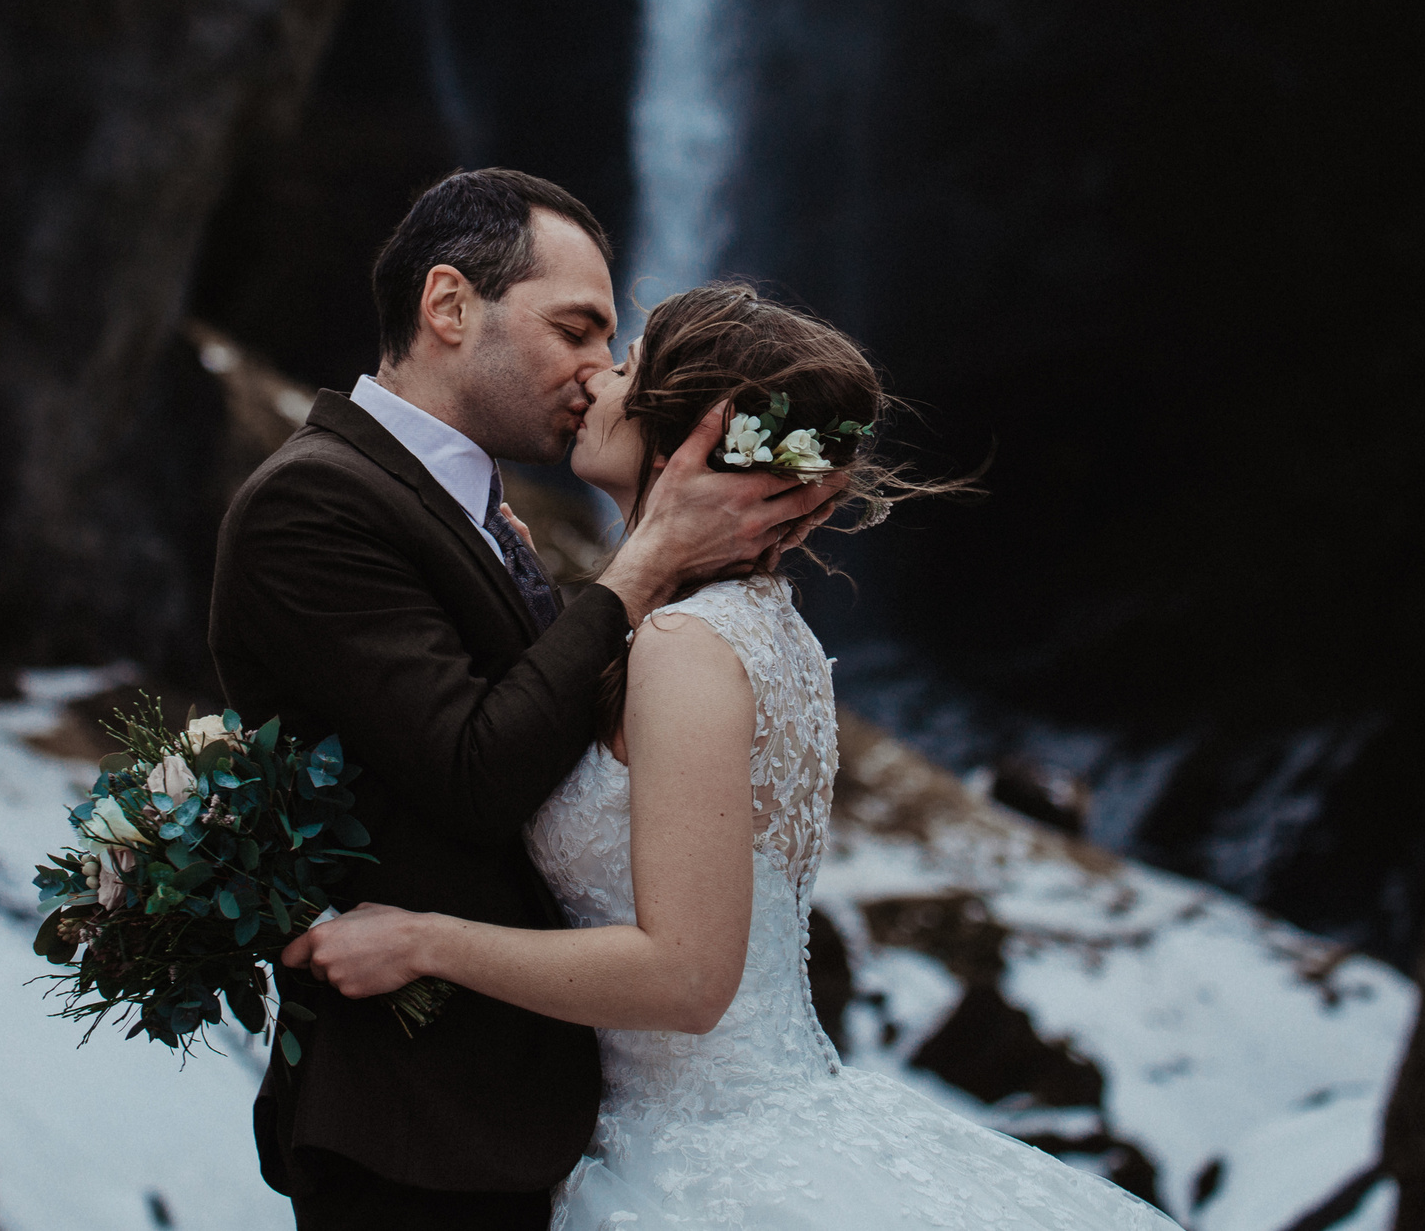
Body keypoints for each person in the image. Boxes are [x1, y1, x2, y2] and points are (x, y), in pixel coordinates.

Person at [282, 283, 1178, 1230]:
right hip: (736, 1118)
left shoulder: (688, 648)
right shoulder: (765, 633)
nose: (596, 377)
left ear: (695, 432)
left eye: (626, 366)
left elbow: (687, 977)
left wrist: (422, 941)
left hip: (693, 1164)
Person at [211, 171, 845, 1231]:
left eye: (617, 346)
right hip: (422, 1129)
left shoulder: (498, 518)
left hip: (561, 1132)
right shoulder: (313, 501)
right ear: (448, 306)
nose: (602, 373)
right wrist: (639, 569)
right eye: (579, 329)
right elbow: (472, 769)